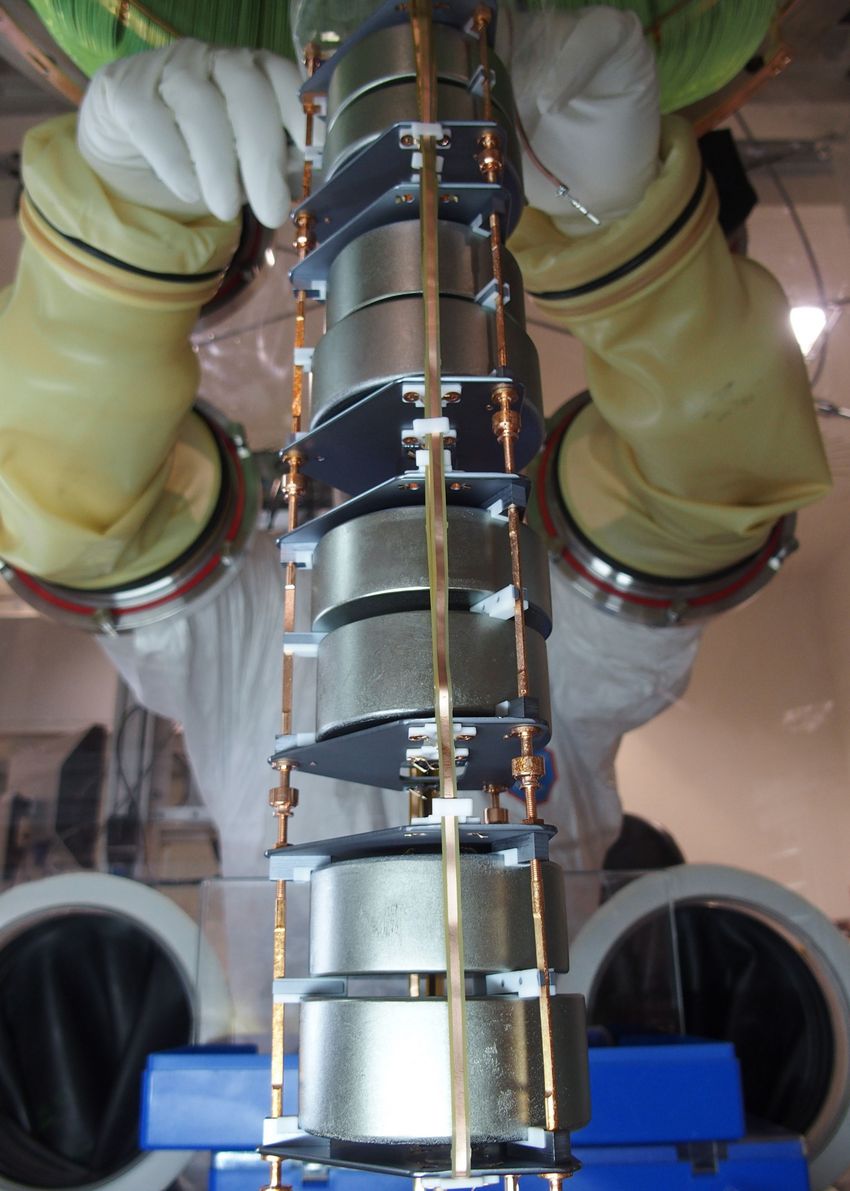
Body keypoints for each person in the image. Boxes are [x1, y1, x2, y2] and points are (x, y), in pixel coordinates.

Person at [0, 8, 831, 902]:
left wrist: (120, 243)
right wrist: (625, 243)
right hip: (556, 1031)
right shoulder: (538, 649)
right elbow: (706, 497)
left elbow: (73, 529)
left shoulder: (263, 658)